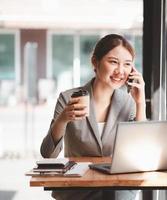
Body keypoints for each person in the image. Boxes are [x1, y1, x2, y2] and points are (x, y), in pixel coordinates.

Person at [40, 34, 146, 200]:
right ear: (95, 62)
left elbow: (141, 150)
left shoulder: (128, 102)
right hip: (78, 190)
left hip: (117, 189)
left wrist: (140, 103)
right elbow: (48, 154)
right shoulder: (68, 98)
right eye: (113, 62)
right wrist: (63, 119)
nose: (120, 71)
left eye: (127, 64)